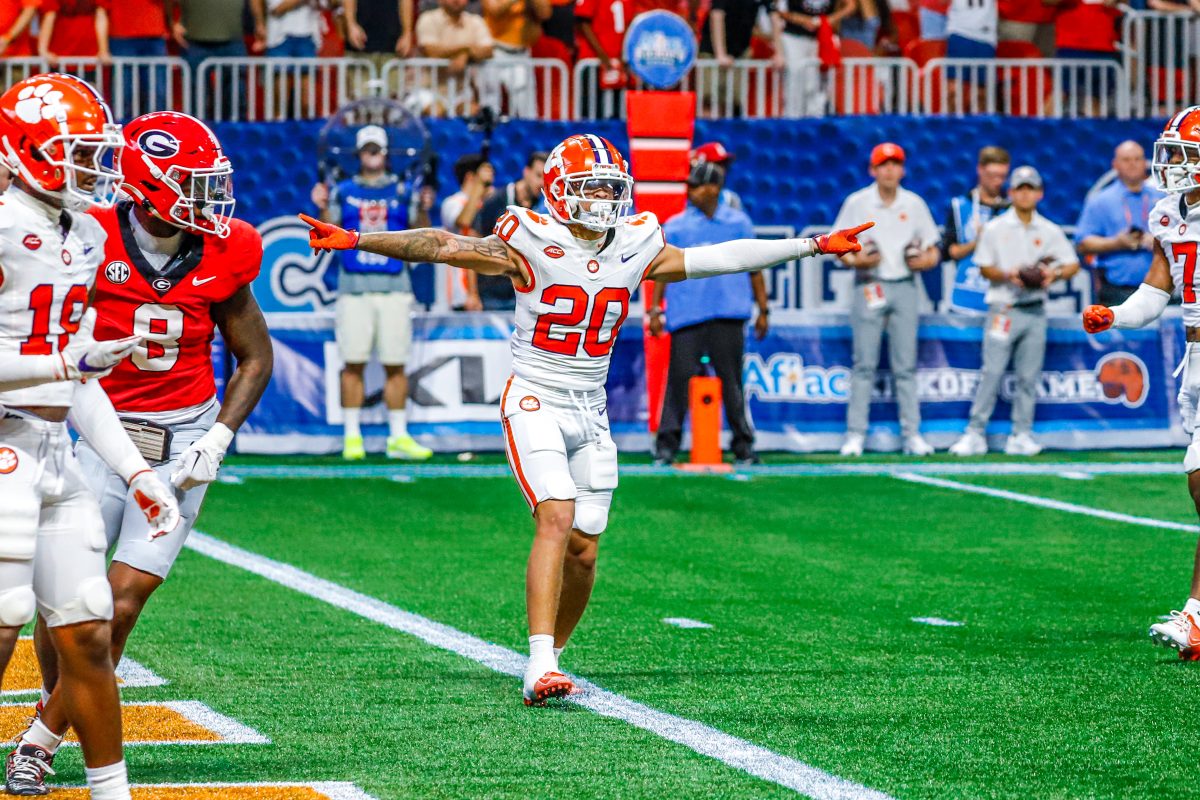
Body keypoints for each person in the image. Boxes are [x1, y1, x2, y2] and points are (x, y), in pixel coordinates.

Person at [300, 133, 874, 705]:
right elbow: (442, 244)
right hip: (536, 397)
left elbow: (716, 257)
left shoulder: (634, 242)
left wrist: (814, 244)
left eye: (609, 187)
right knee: (555, 516)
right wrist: (356, 238)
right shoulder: (529, 239)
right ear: (557, 191)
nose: (602, 199)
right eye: (590, 187)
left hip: (591, 409)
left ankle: (555, 658)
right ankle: (539, 661)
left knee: (585, 548)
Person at [6, 111, 273, 795]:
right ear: (149, 183)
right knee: (62, 609)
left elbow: (254, 356)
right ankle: (57, 725)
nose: (209, 199)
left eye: (211, 183)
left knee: (120, 604)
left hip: (184, 436)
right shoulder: (87, 235)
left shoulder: (228, 247)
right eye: (192, 183)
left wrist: (217, 438)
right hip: (98, 431)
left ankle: (39, 738)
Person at [0, 73, 180, 800]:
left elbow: (81, 382)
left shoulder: (89, 231)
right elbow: (66, 363)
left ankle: (112, 792)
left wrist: (138, 473)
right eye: (75, 153)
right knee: (7, 616)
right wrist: (65, 361)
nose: (92, 169)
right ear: (23, 151)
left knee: (87, 630)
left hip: (54, 452)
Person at [1082, 108, 1200, 655]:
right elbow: (1155, 294)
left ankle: (1196, 614)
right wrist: (1115, 314)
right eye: (1172, 153)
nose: (1173, 164)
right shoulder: (1167, 213)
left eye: (1184, 154)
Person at [948, 166, 1079, 457]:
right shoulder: (996, 228)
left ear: (1039, 193)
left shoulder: (1048, 229)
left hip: (1035, 309)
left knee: (1028, 377)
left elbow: (1072, 263)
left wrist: (1051, 274)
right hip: (1003, 307)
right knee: (991, 372)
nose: (1025, 193)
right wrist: (1011, 275)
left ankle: (1021, 433)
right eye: (1020, 188)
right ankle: (975, 432)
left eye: (1030, 188)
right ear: (1011, 193)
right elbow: (983, 266)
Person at [321, 125, 432, 461]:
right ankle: (351, 436)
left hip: (395, 286)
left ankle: (397, 436)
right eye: (367, 148)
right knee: (352, 362)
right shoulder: (342, 190)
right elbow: (329, 233)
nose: (373, 154)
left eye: (377, 148)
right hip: (354, 287)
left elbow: (421, 232)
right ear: (359, 154)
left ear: (386, 153)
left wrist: (425, 204)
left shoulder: (403, 190)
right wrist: (322, 205)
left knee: (395, 363)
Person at [650, 161, 769, 466]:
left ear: (715, 188)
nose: (691, 191)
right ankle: (666, 446)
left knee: (732, 383)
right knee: (678, 382)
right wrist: (654, 309)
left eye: (697, 185)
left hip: (729, 313)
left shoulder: (739, 223)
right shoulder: (676, 225)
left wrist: (763, 309)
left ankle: (744, 445)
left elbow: (755, 268)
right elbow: (663, 269)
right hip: (687, 315)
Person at [833, 142, 941, 457]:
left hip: (905, 286)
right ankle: (855, 436)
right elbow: (838, 247)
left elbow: (933, 248)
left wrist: (926, 261)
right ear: (873, 170)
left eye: (895, 164)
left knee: (905, 366)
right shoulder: (857, 202)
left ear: (903, 169)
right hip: (869, 284)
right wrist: (856, 261)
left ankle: (912, 435)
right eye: (883, 164)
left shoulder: (914, 203)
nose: (889, 170)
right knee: (864, 364)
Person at [1076, 141, 1164, 306]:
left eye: (1137, 159)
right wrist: (1116, 243)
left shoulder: (1162, 199)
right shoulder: (1101, 201)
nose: (1133, 164)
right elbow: (1082, 244)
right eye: (1126, 159)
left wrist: (1159, 241)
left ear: (1145, 163)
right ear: (1115, 164)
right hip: (1118, 292)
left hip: (1162, 289)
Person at [945, 145, 1012, 315]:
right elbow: (950, 251)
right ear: (980, 170)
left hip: (1002, 296)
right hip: (966, 293)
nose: (997, 182)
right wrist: (980, 241)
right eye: (992, 176)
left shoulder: (1012, 209)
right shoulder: (960, 206)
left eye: (1002, 176)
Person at [478, 150, 548, 311]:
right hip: (491, 294)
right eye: (538, 176)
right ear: (526, 172)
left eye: (546, 179)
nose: (542, 183)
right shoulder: (496, 200)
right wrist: (472, 294)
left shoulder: (545, 207)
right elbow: (475, 239)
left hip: (524, 294)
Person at [415, 0, 494, 116]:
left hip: (460, 93)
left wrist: (466, 55)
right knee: (436, 112)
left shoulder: (475, 21)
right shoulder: (428, 19)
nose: (456, 0)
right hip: (427, 90)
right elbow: (431, 50)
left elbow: (488, 50)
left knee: (474, 112)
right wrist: (465, 49)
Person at [778, 0, 854, 117]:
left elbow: (851, 5)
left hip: (821, 37)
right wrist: (802, 20)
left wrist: (830, 19)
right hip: (794, 37)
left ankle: (815, 117)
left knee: (816, 82)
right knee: (794, 78)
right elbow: (779, 10)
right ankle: (792, 118)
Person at [440, 152, 493, 310]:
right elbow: (464, 221)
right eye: (486, 183)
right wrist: (479, 188)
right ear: (471, 177)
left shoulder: (488, 205)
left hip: (488, 291)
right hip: (461, 293)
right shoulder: (452, 203)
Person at [481, 0, 551, 118]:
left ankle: (529, 134)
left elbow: (545, 14)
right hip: (494, 52)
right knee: (490, 102)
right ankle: (488, 134)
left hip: (520, 54)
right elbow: (495, 10)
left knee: (526, 107)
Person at [691, 141, 744, 211]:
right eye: (716, 165)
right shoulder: (683, 199)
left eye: (724, 165)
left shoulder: (730, 199)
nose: (722, 171)